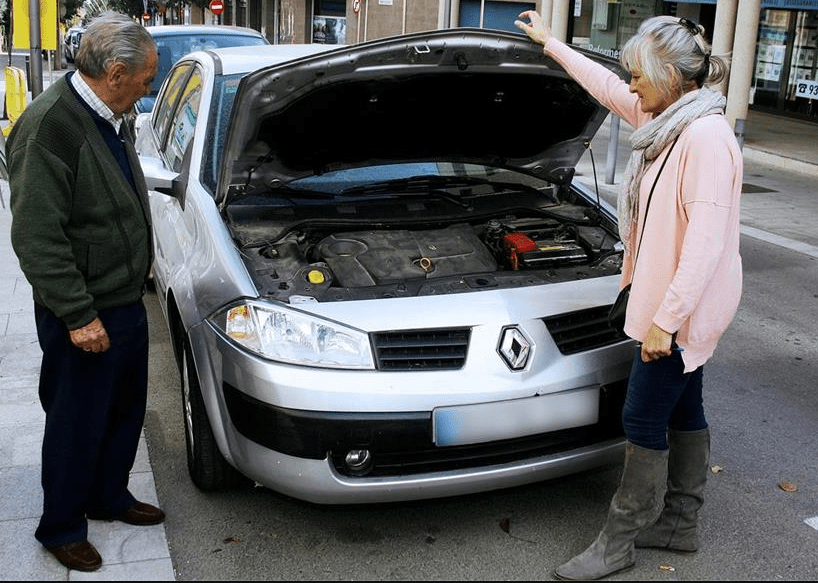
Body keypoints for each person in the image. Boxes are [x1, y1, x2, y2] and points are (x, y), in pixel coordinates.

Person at [515, 11, 743, 581]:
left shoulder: (706, 139)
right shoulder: (663, 116)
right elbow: (607, 86)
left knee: (640, 417)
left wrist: (666, 322)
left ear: (670, 72)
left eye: (640, 74)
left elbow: (705, 247)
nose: (632, 84)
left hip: (679, 308)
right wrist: (553, 45)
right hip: (665, 299)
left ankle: (619, 542)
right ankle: (680, 524)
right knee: (685, 406)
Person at [7, 12, 163, 572]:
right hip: (85, 311)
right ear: (116, 73)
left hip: (123, 300)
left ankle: (109, 496)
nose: (148, 89)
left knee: (123, 411)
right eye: (146, 79)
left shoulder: (110, 113)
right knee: (76, 420)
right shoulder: (50, 126)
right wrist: (77, 314)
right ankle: (62, 526)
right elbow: (35, 235)